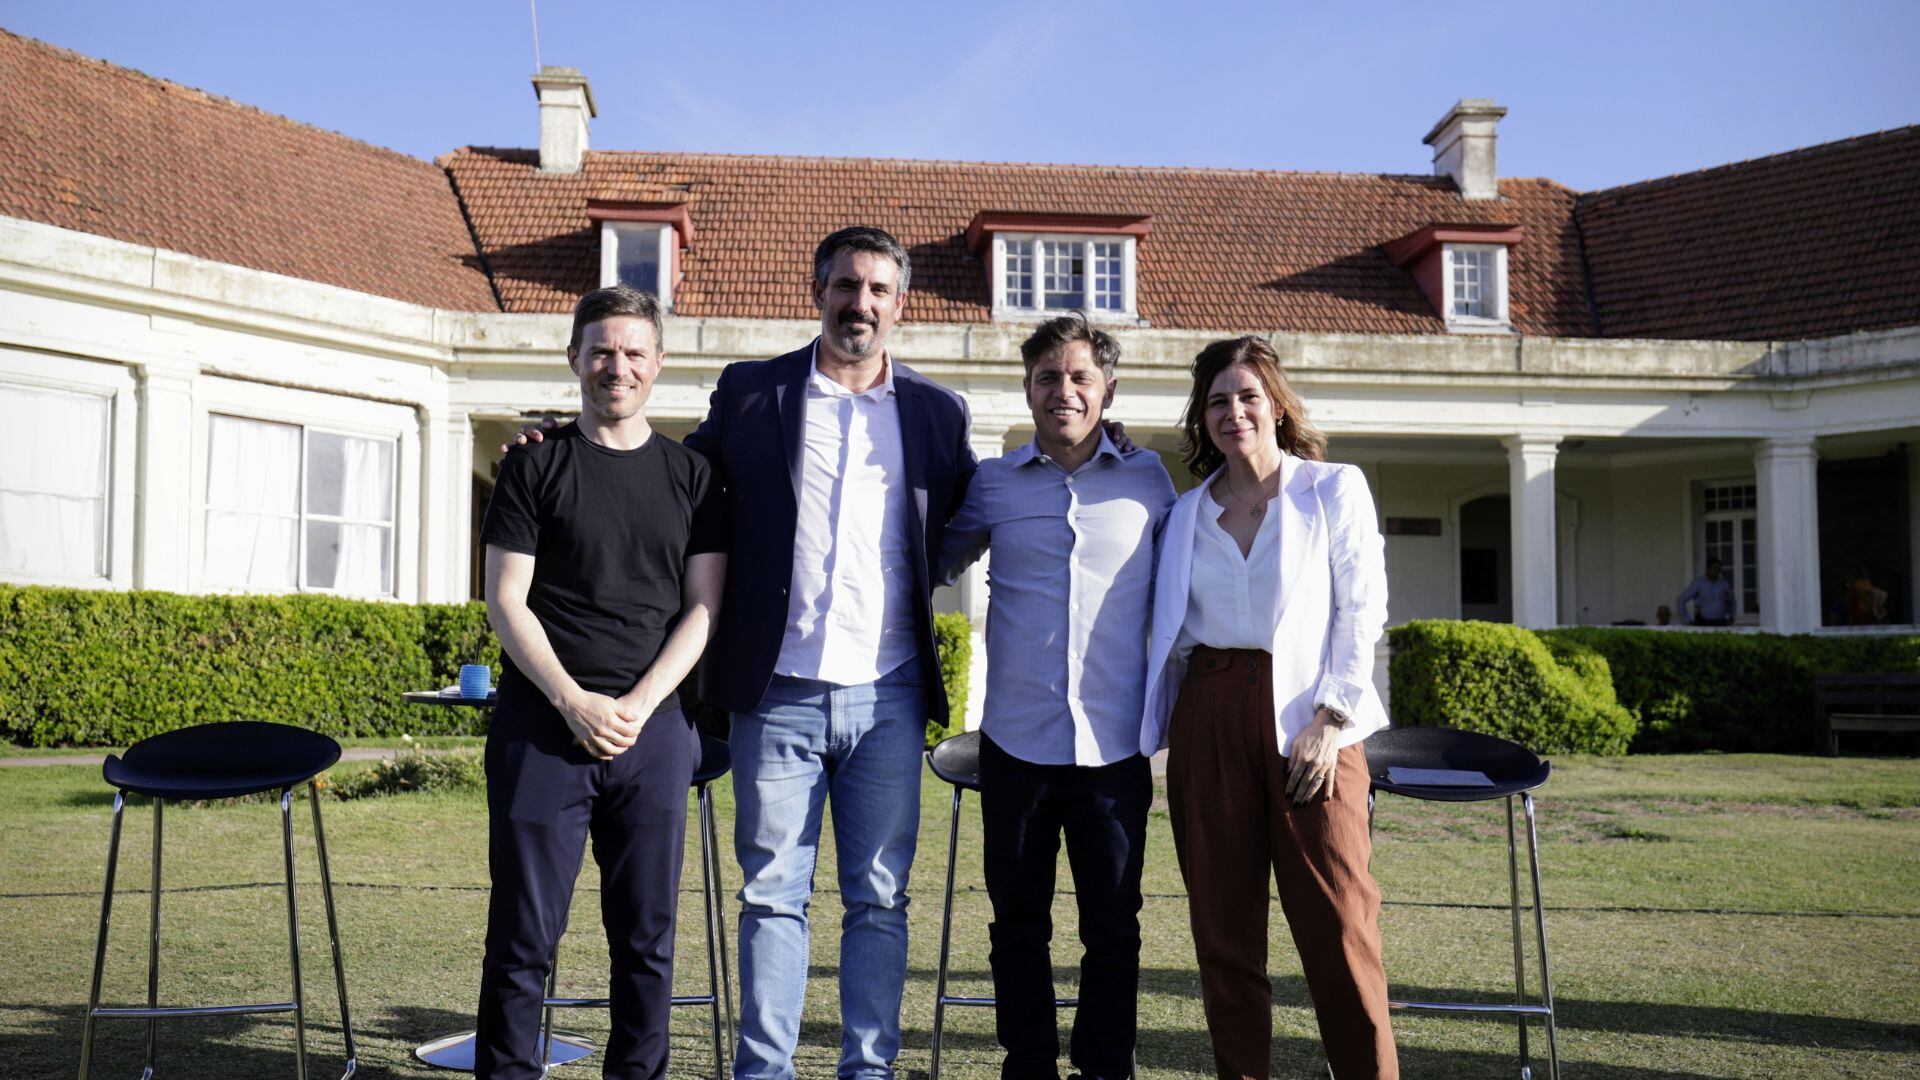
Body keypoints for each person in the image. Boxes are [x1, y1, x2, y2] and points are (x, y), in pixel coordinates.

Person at [476, 285, 727, 1080]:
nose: (616, 366)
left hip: (653, 738)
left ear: (658, 364)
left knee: (647, 941)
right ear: (575, 358)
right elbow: (504, 599)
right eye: (601, 350)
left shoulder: (695, 476)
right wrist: (571, 701)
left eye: (633, 352)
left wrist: (638, 707)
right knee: (523, 936)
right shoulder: (533, 466)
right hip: (542, 728)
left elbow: (703, 611)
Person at [1141, 335, 1396, 1079]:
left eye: (1248, 396)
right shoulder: (1182, 514)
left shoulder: (1332, 487)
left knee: (1343, 922)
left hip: (1313, 722)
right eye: (1218, 401)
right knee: (1223, 933)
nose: (1234, 412)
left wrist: (1331, 719)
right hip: (1209, 712)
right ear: (1203, 418)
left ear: (1277, 407)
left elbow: (1362, 609)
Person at [936, 313, 1175, 1080]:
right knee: (1017, 926)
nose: (1062, 390)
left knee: (1113, 927)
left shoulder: (1151, 480)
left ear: (1108, 388)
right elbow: (930, 558)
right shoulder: (993, 483)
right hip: (1016, 745)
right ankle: (1028, 1065)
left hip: (1113, 749)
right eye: (1047, 378)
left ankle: (1106, 1067)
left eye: (1079, 377)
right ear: (1028, 388)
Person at [1676, 558, 1735, 626]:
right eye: (1714, 568)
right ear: (1708, 569)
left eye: (1719, 569)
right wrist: (1688, 620)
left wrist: (1732, 616)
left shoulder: (1724, 584)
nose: (1717, 571)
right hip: (1703, 622)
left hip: (1721, 622)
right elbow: (1680, 600)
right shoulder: (1698, 583)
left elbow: (1732, 602)